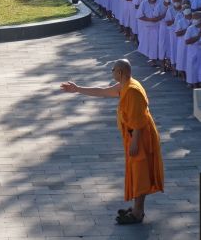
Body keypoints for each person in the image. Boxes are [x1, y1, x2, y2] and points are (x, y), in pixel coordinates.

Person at [60, 59, 164, 225]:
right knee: (137, 171)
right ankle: (138, 208)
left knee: (140, 172)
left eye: (113, 70)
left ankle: (138, 213)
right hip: (133, 135)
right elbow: (102, 92)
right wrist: (77, 89)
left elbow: (139, 119)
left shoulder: (132, 90)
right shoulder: (124, 85)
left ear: (120, 73)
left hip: (140, 137)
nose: (112, 72)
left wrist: (135, 142)